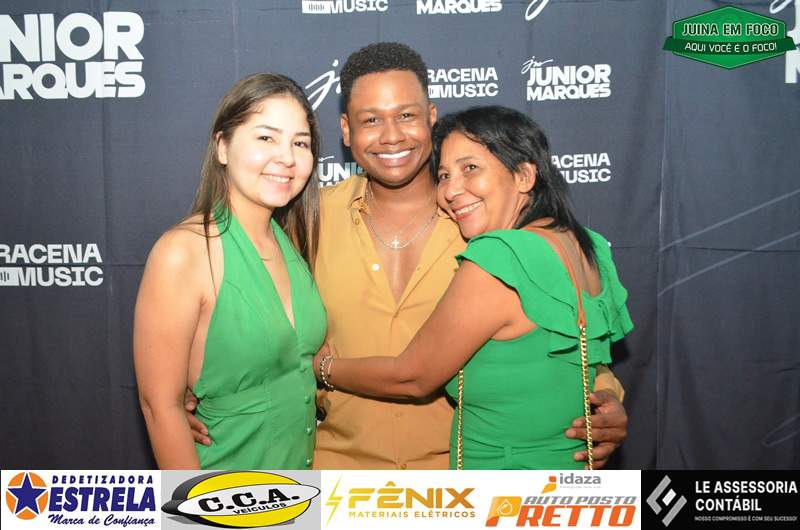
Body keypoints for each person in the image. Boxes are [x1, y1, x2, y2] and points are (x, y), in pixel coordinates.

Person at [188, 43, 629, 469]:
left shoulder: (483, 221)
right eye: (371, 120)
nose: (391, 135)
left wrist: (605, 395)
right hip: (336, 473)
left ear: (431, 118)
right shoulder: (307, 219)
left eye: (406, 115)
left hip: (458, 480)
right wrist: (193, 391)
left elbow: (560, 331)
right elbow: (238, 317)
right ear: (346, 131)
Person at [313, 105, 634, 469]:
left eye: (470, 169)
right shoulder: (587, 247)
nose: (451, 190)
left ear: (524, 176)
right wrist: (608, 393)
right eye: (444, 175)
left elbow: (412, 377)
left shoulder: (499, 256)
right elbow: (580, 362)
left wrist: (323, 367)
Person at [133, 73, 327, 469]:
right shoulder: (183, 252)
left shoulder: (289, 242)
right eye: (266, 137)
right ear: (222, 146)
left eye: (300, 143)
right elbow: (159, 407)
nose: (287, 157)